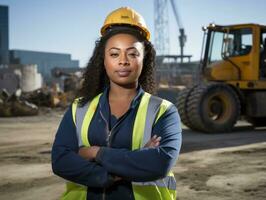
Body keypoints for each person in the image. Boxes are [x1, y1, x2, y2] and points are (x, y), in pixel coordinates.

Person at [52, 6, 182, 200]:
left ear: (144, 59)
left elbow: (160, 163)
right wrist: (129, 163)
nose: (123, 61)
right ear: (103, 60)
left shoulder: (163, 111)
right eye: (114, 54)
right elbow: (61, 161)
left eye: (132, 53)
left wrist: (95, 153)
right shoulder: (79, 109)